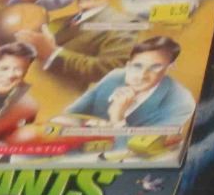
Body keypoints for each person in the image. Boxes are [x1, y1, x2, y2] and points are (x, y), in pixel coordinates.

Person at [14, 0, 147, 92]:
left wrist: (53, 54)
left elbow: (110, 70)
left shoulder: (123, 24)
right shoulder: (59, 21)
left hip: (58, 99)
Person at [62, 36, 196, 131]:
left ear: (168, 68)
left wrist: (117, 118)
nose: (142, 76)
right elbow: (70, 114)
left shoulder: (181, 103)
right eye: (137, 66)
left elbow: (147, 152)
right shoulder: (115, 76)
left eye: (155, 67)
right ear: (128, 65)